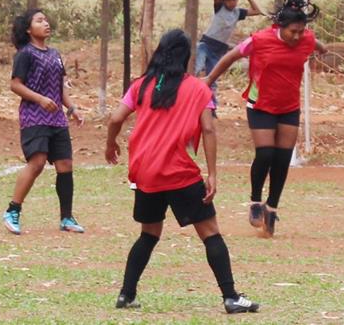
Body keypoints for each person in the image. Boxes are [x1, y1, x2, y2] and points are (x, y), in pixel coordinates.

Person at [105, 29, 258, 314]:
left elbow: (115, 118)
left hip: (146, 172)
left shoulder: (141, 85)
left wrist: (110, 144)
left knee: (149, 233)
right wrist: (212, 173)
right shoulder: (199, 89)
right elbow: (209, 128)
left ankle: (126, 294)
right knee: (210, 232)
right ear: (187, 57)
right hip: (178, 172)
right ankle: (231, 297)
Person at [205, 0, 326, 238]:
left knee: (282, 159)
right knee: (266, 154)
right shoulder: (259, 40)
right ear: (280, 27)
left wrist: (321, 50)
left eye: (301, 32)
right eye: (293, 31)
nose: (297, 36)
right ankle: (255, 202)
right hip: (260, 105)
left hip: (289, 106)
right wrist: (208, 82)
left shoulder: (306, 40)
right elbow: (230, 57)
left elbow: (319, 46)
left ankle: (272, 208)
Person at [2, 9, 85, 235]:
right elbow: (15, 85)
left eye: (46, 20)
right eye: (39, 21)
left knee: (65, 165)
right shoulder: (25, 54)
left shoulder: (56, 54)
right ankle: (13, 211)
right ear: (29, 29)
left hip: (57, 119)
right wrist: (39, 99)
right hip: (33, 117)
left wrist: (73, 108)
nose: (45, 23)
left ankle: (66, 218)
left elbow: (60, 88)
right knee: (37, 162)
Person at [195, 0, 263, 105]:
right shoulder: (219, 7)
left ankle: (211, 105)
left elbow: (257, 11)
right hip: (206, 43)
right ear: (224, 0)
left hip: (219, 49)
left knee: (212, 77)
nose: (231, 2)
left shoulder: (237, 12)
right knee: (198, 68)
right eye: (228, 0)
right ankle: (190, 95)